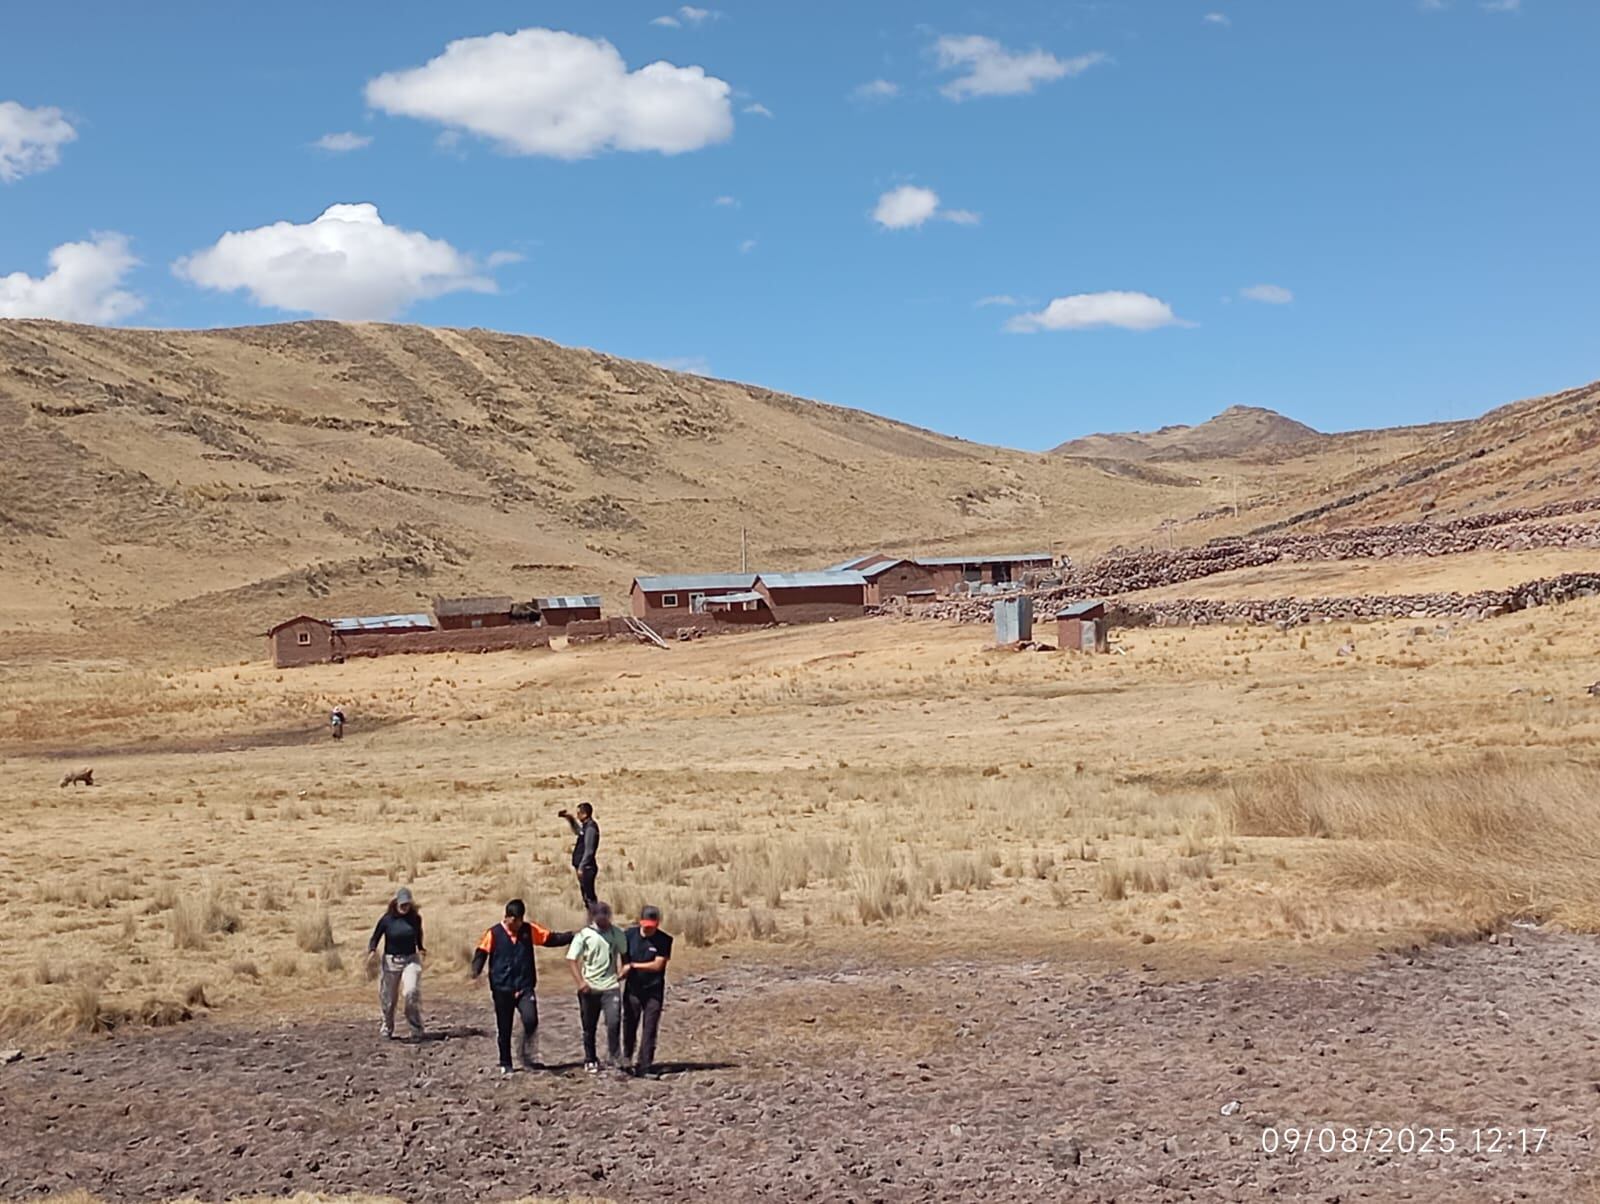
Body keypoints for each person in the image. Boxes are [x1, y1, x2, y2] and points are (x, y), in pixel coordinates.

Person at [470, 898, 574, 1076]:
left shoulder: (528, 930)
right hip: (502, 988)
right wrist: (475, 972)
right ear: (508, 918)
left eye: (520, 920)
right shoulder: (493, 933)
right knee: (504, 1027)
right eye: (516, 920)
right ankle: (505, 1062)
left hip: (525, 986)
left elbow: (550, 938)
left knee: (531, 1019)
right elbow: (481, 953)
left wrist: (572, 936)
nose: (518, 924)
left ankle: (524, 1048)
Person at [566, 900, 628, 1074]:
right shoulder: (584, 935)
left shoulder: (617, 934)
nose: (603, 921)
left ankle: (615, 1057)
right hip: (589, 988)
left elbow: (624, 954)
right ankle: (590, 1058)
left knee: (614, 1021)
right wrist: (580, 982)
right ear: (593, 917)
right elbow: (572, 960)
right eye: (599, 917)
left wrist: (624, 969)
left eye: (606, 917)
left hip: (610, 986)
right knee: (589, 1026)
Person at [367, 887, 425, 1040]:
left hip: (410, 960)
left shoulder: (415, 919)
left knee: (411, 993)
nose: (405, 907)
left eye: (407, 904)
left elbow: (418, 935)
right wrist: (372, 951)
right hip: (391, 962)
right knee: (388, 998)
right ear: (396, 903)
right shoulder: (387, 919)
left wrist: (421, 948)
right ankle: (387, 1027)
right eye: (402, 905)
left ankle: (416, 1029)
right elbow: (375, 937)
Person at [622, 904, 673, 1078]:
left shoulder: (664, 940)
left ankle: (644, 1065)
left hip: (653, 990)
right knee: (629, 1024)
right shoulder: (628, 935)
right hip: (633, 989)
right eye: (645, 926)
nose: (648, 929)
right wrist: (622, 969)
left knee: (649, 1028)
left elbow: (658, 964)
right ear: (640, 922)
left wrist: (633, 965)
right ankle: (626, 1059)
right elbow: (620, 954)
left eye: (652, 926)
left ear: (657, 924)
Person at [559, 803, 600, 907]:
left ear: (585, 814)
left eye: (578, 813)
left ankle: (596, 920)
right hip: (584, 867)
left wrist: (582, 867)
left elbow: (589, 851)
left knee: (590, 898)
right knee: (586, 897)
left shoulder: (591, 829)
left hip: (587, 868)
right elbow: (578, 831)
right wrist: (569, 818)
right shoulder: (586, 827)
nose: (577, 816)